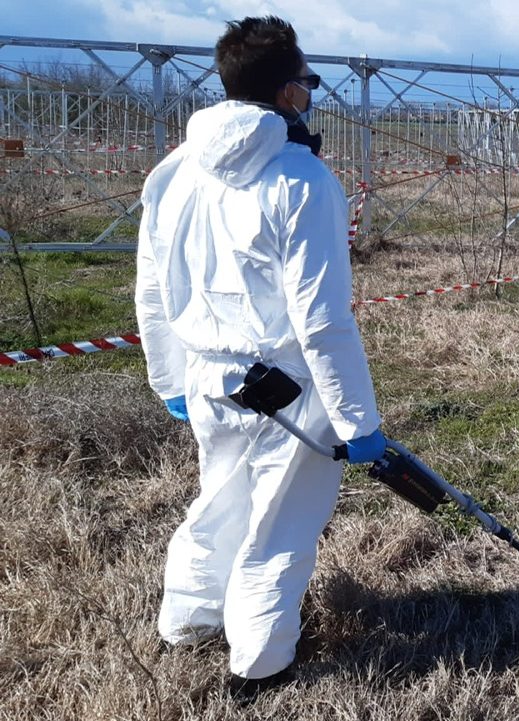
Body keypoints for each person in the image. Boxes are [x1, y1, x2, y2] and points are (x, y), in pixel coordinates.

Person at [134, 16, 384, 695]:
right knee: (279, 525)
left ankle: (186, 622)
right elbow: (321, 318)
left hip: (207, 377)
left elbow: (152, 287)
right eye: (306, 81)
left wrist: (169, 377)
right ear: (290, 94)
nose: (309, 92)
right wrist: (358, 421)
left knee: (219, 501)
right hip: (289, 387)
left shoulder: (173, 171)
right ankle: (263, 664)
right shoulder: (301, 181)